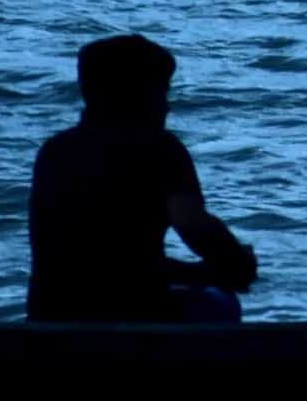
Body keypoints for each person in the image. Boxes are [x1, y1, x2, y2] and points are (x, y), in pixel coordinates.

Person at [26, 32, 260, 323]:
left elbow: (100, 263)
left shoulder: (54, 152)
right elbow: (192, 225)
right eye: (161, 92)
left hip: (50, 316)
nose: (167, 106)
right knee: (222, 305)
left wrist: (199, 273)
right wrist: (234, 264)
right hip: (136, 315)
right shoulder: (161, 150)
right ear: (137, 95)